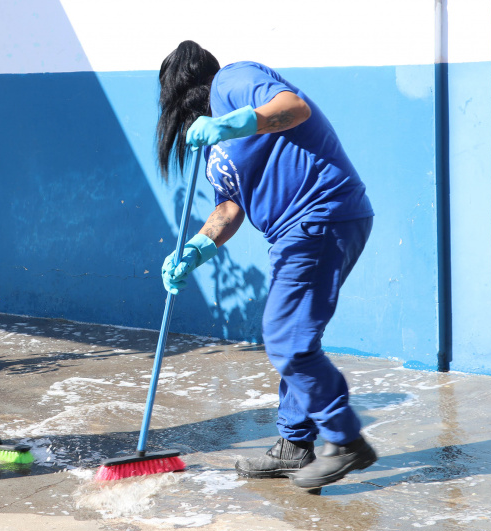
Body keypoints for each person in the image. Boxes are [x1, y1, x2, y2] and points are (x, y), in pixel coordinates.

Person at [156, 41, 377, 489]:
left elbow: (293, 108)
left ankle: (346, 439)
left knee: (285, 338)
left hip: (320, 213)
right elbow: (230, 207)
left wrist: (231, 122)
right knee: (295, 337)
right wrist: (195, 249)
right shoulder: (214, 146)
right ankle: (294, 445)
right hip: (293, 232)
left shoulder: (232, 80)